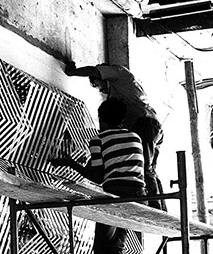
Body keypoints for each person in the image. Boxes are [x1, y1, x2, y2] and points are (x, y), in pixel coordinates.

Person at [50, 98, 146, 254]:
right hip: (138, 197)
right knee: (116, 244)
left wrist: (70, 163)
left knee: (100, 248)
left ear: (102, 119)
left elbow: (97, 176)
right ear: (122, 119)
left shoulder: (98, 139)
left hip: (115, 196)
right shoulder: (136, 137)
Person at [64, 61, 166, 211]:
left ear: (103, 75)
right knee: (149, 170)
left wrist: (71, 72)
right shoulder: (116, 95)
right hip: (149, 127)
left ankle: (156, 207)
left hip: (145, 124)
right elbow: (107, 134)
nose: (101, 90)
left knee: (144, 168)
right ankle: (159, 207)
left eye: (98, 84)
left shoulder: (120, 74)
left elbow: (93, 70)